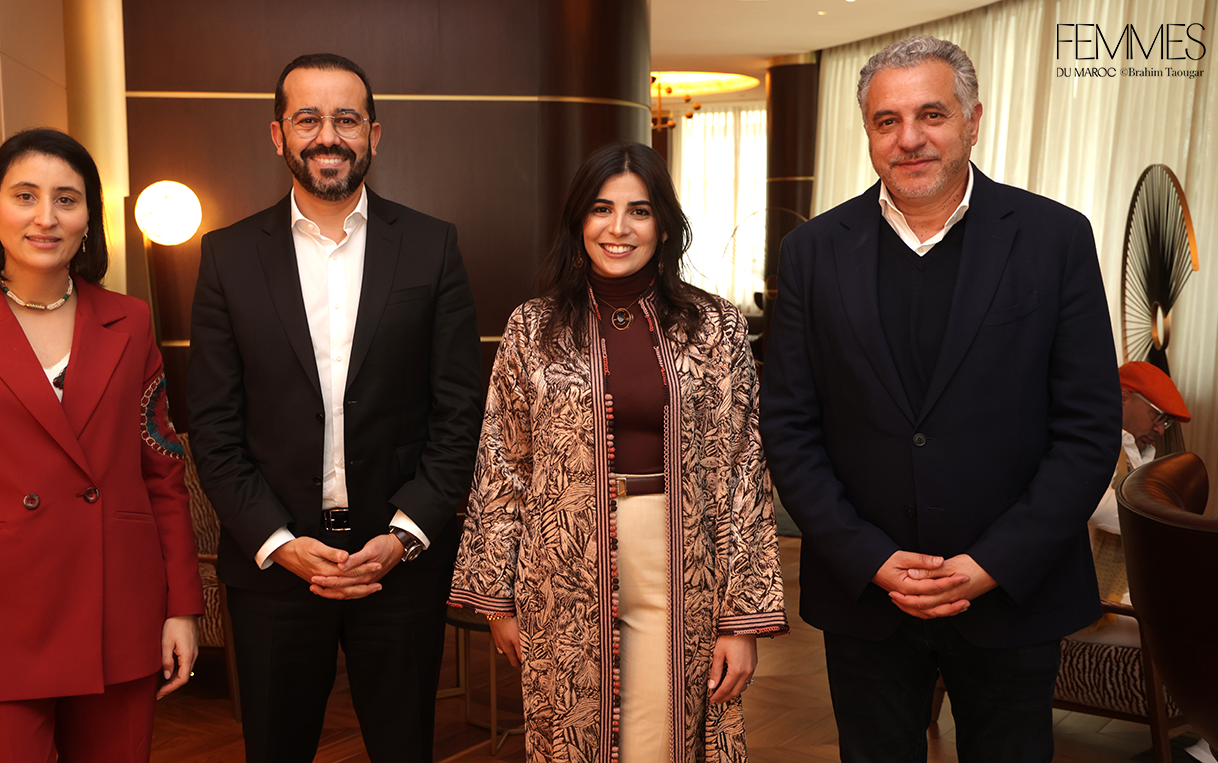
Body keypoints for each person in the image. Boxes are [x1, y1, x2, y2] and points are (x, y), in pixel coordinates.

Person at [759, 36, 1122, 762]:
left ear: (972, 120)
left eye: (931, 114)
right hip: (867, 596)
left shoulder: (1054, 238)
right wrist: (870, 557)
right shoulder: (811, 252)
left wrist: (992, 562)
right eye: (886, 121)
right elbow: (789, 429)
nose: (909, 138)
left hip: (1013, 592)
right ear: (868, 133)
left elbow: (1087, 429)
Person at [185, 53, 483, 763]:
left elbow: (459, 412)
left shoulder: (432, 246)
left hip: (397, 565)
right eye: (308, 119)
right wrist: (277, 541)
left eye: (346, 119)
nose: (328, 136)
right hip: (273, 568)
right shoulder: (227, 256)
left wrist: (406, 534)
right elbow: (214, 426)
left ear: (373, 134)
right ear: (278, 135)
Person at [450, 141, 788, 763]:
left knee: (663, 739)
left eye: (639, 210)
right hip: (560, 565)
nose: (619, 228)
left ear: (664, 224)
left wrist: (741, 618)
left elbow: (743, 472)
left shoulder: (715, 327)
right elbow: (502, 464)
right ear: (579, 222)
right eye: (602, 209)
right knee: (573, 736)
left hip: (681, 557)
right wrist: (497, 598)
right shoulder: (531, 328)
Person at [0, 128, 203, 762]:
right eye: (25, 196)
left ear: (89, 219)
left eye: (67, 199)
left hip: (118, 610)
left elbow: (163, 477)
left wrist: (182, 607)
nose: (46, 217)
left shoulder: (131, 321)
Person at [1086, 361, 1190, 606]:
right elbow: (1093, 503)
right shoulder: (1097, 439)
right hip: (1088, 593)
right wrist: (1161, 520)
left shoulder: (1137, 450)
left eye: (1166, 421)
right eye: (1158, 416)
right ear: (1123, 398)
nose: (1161, 430)